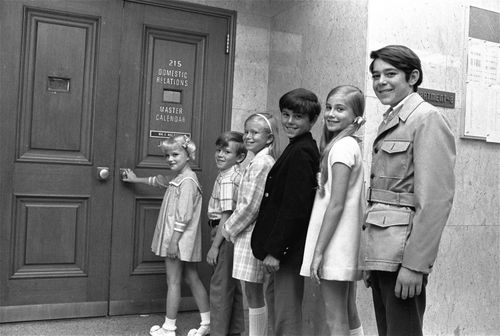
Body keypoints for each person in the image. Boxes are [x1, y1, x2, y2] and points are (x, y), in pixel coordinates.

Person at [361, 45, 456, 336]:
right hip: (382, 250)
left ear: (413, 76)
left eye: (390, 74)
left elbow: (435, 200)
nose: (380, 82)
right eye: (376, 75)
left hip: (403, 255)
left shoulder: (427, 119)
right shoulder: (392, 118)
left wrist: (415, 265)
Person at [122, 135, 210, 336]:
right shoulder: (181, 178)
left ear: (188, 155)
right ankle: (207, 321)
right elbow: (162, 182)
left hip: (177, 240)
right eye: (167, 155)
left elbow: (184, 214)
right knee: (191, 277)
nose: (170, 159)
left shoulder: (187, 181)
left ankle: (169, 328)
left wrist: (173, 242)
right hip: (182, 241)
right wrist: (137, 179)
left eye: (175, 154)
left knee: (173, 281)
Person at [251, 88, 320, 336]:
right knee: (279, 311)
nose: (290, 121)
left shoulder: (301, 152)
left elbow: (295, 208)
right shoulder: (297, 147)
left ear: (311, 121)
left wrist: (276, 251)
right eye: (286, 114)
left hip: (287, 251)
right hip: (284, 249)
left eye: (298, 117)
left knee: (286, 315)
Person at [300, 85, 366, 336]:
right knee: (348, 312)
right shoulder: (346, 145)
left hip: (335, 245)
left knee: (335, 318)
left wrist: (318, 252)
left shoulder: (341, 148)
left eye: (340, 109)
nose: (331, 114)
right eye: (328, 107)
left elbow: (336, 204)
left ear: (355, 115)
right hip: (341, 243)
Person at [221, 113, 279, 336]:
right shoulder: (258, 161)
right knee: (252, 292)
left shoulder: (262, 162)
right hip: (248, 233)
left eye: (255, 132)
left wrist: (228, 228)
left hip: (251, 233)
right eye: (246, 131)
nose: (248, 136)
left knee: (254, 294)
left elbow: (250, 205)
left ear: (269, 138)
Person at [206, 131, 247, 336]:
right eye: (219, 150)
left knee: (220, 288)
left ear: (239, 157)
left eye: (227, 152)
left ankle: (218, 332)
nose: (220, 155)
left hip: (222, 234)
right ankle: (234, 331)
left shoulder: (228, 179)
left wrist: (214, 247)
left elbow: (226, 215)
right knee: (232, 286)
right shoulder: (235, 173)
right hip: (232, 235)